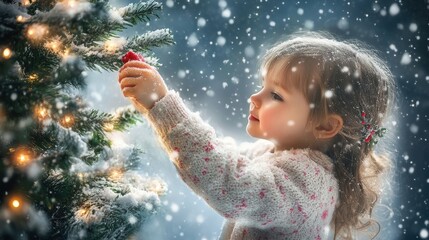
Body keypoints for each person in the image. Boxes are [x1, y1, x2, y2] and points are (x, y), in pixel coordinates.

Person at [117, 31, 396, 240]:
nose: (255, 97)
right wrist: (157, 110)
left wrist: (163, 105)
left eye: (275, 95)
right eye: (263, 86)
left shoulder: (305, 183)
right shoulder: (280, 155)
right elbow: (222, 154)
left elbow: (227, 179)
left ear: (325, 126)